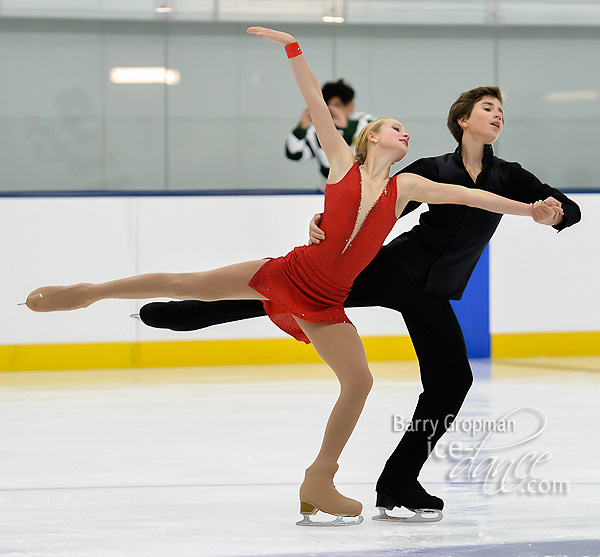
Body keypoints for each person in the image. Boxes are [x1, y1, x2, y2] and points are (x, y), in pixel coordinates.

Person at [24, 28, 562, 527]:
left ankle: (319, 480)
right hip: (292, 273)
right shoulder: (341, 161)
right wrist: (293, 48)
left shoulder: (408, 187)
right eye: (395, 126)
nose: (404, 132)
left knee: (361, 382)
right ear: (372, 137)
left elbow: (475, 197)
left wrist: (530, 210)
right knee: (186, 281)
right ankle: (89, 292)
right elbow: (314, 104)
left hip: (329, 300)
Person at [285, 78, 374, 189]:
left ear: (351, 106)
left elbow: (375, 141)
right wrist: (302, 128)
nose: (335, 111)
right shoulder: (317, 130)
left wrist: (347, 127)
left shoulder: (364, 122)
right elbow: (295, 155)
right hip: (327, 193)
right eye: (330, 107)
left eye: (338, 106)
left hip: (363, 190)